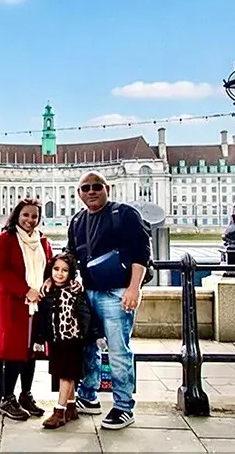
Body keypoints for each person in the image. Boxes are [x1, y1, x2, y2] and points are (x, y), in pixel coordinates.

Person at [64, 170, 151, 430]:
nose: (91, 191)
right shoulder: (77, 221)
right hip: (88, 293)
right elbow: (70, 255)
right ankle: (88, 397)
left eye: (96, 187)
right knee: (88, 348)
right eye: (86, 188)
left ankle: (124, 406)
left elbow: (141, 254)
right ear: (79, 194)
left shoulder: (124, 214)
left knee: (118, 350)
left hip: (117, 293)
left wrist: (133, 289)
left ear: (107, 189)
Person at [0, 197, 53, 421]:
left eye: (34, 216)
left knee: (31, 351)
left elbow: (50, 268)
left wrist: (48, 283)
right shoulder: (4, 240)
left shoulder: (43, 242)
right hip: (13, 303)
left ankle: (26, 395)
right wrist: (25, 290)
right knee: (13, 351)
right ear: (17, 215)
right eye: (26, 215)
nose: (30, 220)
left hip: (37, 304)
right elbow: (0, 271)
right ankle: (7, 398)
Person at [31, 253, 97, 429]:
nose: (59, 274)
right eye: (56, 269)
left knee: (67, 374)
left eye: (65, 270)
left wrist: (92, 336)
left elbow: (86, 315)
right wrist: (39, 339)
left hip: (73, 339)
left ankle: (59, 412)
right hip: (56, 340)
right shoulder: (48, 294)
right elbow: (43, 320)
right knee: (63, 372)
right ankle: (71, 407)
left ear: (71, 273)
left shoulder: (76, 292)